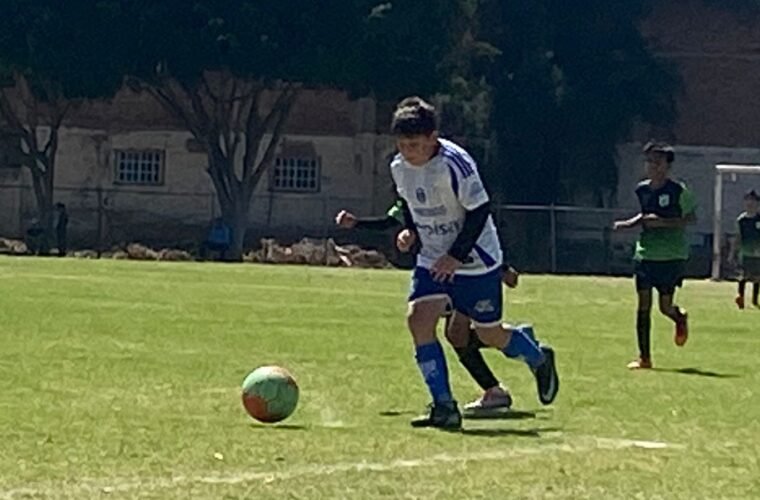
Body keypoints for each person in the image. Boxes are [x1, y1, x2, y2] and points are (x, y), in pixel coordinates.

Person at [385, 96, 559, 429]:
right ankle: (444, 406)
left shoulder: (455, 164)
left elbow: (479, 212)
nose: (408, 152)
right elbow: (409, 203)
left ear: (433, 138)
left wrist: (455, 256)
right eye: (402, 145)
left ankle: (538, 357)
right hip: (432, 257)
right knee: (418, 320)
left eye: (415, 145)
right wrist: (411, 231)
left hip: (476, 259)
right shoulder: (399, 167)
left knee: (489, 333)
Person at [336, 202, 519, 413]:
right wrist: (357, 223)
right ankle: (494, 386)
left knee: (462, 333)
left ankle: (518, 354)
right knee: (454, 333)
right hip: (440, 274)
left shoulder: (449, 193)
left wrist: (501, 267)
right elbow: (391, 222)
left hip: (467, 272)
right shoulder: (409, 195)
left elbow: (474, 229)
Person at [613, 141, 697, 370]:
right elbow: (644, 216)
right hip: (646, 254)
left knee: (665, 307)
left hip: (671, 255)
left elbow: (691, 219)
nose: (652, 165)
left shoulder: (679, 191)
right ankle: (645, 358)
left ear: (668, 165)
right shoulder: (642, 190)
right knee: (643, 304)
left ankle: (679, 317)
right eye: (649, 161)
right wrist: (627, 225)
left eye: (658, 161)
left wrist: (663, 223)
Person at [730, 189, 760, 309]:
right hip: (745, 253)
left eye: (753, 201)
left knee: (757, 277)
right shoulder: (741, 220)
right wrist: (733, 252)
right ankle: (740, 298)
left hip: (758, 253)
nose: (750, 203)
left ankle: (755, 300)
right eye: (748, 200)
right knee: (743, 276)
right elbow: (737, 236)